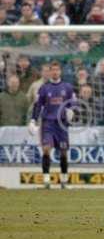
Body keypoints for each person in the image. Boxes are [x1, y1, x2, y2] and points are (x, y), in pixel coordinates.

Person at [29, 61, 75, 189]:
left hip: (62, 124)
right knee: (46, 149)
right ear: (50, 72)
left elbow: (73, 104)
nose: (55, 72)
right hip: (48, 123)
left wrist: (72, 112)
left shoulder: (68, 87)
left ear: (60, 71)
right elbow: (38, 105)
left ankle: (64, 181)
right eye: (53, 70)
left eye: (57, 70)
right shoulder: (44, 88)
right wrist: (33, 120)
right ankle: (46, 181)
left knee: (64, 152)